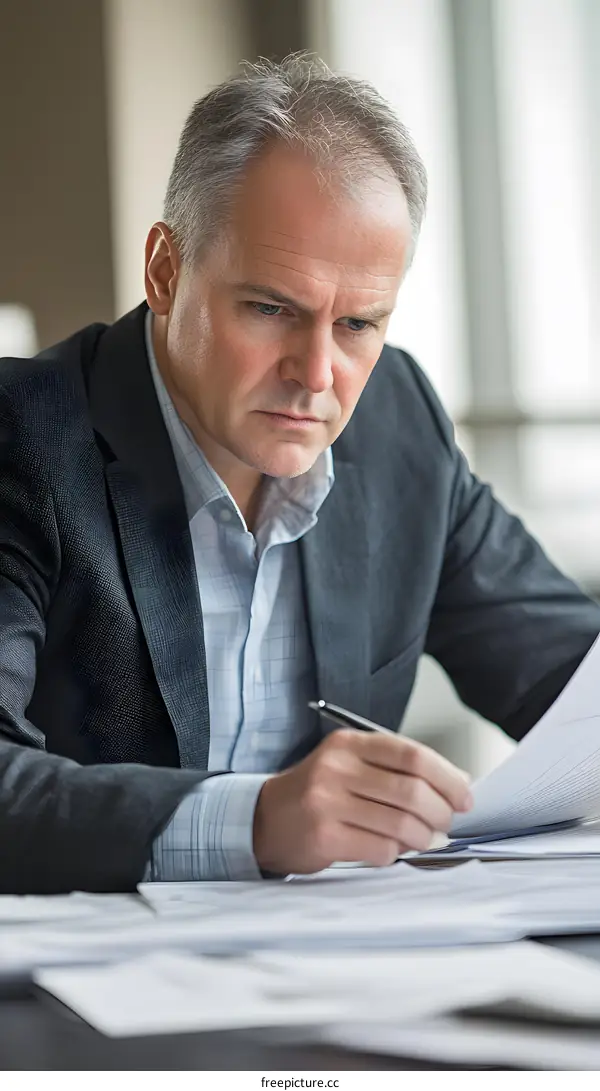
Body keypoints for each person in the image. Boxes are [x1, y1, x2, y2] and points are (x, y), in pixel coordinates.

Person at [1, 55, 598, 895]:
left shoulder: (396, 425)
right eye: (272, 308)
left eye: (357, 323)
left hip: (338, 977)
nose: (317, 373)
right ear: (166, 272)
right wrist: (256, 820)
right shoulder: (21, 437)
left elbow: (572, 682)